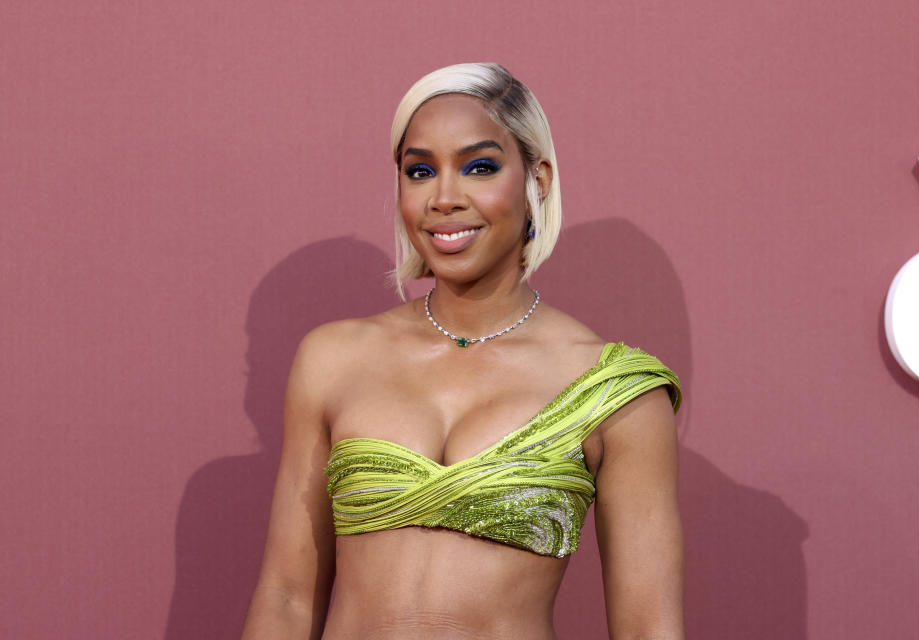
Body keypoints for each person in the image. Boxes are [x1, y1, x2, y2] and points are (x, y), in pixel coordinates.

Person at [241, 62, 684, 639]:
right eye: (420, 171)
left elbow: (649, 630)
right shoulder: (333, 360)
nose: (444, 198)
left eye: (479, 167)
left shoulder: (615, 393)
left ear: (538, 179)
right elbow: (286, 598)